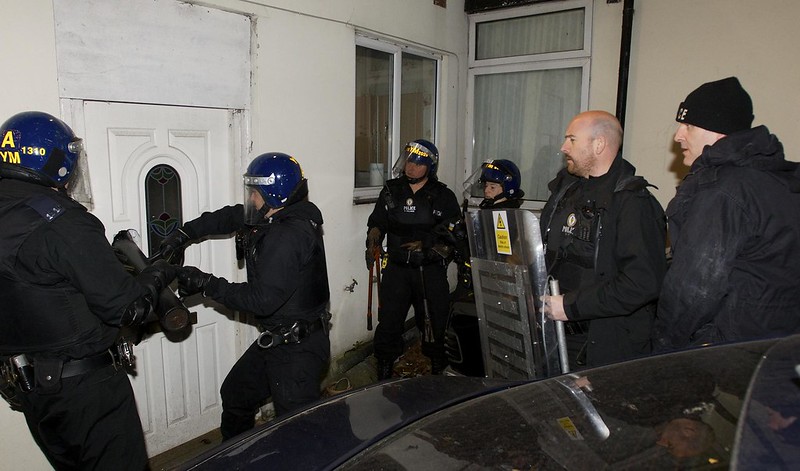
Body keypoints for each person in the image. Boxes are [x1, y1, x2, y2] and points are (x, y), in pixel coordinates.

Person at [0, 111, 176, 470]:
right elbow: (128, 310)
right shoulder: (60, 220)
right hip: (84, 391)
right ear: (56, 160)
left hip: (29, 389)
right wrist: (155, 275)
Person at [159, 152, 330, 440]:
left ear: (273, 194)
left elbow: (260, 300)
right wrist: (185, 233)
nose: (250, 198)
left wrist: (206, 283)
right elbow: (230, 216)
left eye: (255, 192)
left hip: (297, 351)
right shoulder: (275, 213)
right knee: (237, 394)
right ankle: (236, 458)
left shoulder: (287, 235)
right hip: (280, 339)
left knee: (298, 434)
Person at [653, 77, 800, 350]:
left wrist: (663, 350)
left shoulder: (723, 190)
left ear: (717, 131)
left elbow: (695, 289)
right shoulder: (777, 181)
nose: (678, 135)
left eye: (688, 125)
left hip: (729, 355)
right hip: (777, 348)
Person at [540, 110, 667, 369]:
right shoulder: (566, 193)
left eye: (572, 139)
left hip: (604, 348)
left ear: (598, 144)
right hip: (556, 335)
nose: (564, 147)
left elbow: (641, 283)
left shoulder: (633, 203)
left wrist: (570, 306)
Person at [365, 139, 462, 379]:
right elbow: (378, 221)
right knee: (389, 320)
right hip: (397, 268)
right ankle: (385, 364)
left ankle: (438, 364)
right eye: (409, 161)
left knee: (433, 321)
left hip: (428, 270)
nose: (411, 167)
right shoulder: (391, 190)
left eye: (418, 164)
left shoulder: (443, 195)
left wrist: (428, 243)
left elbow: (454, 232)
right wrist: (373, 237)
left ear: (429, 167)